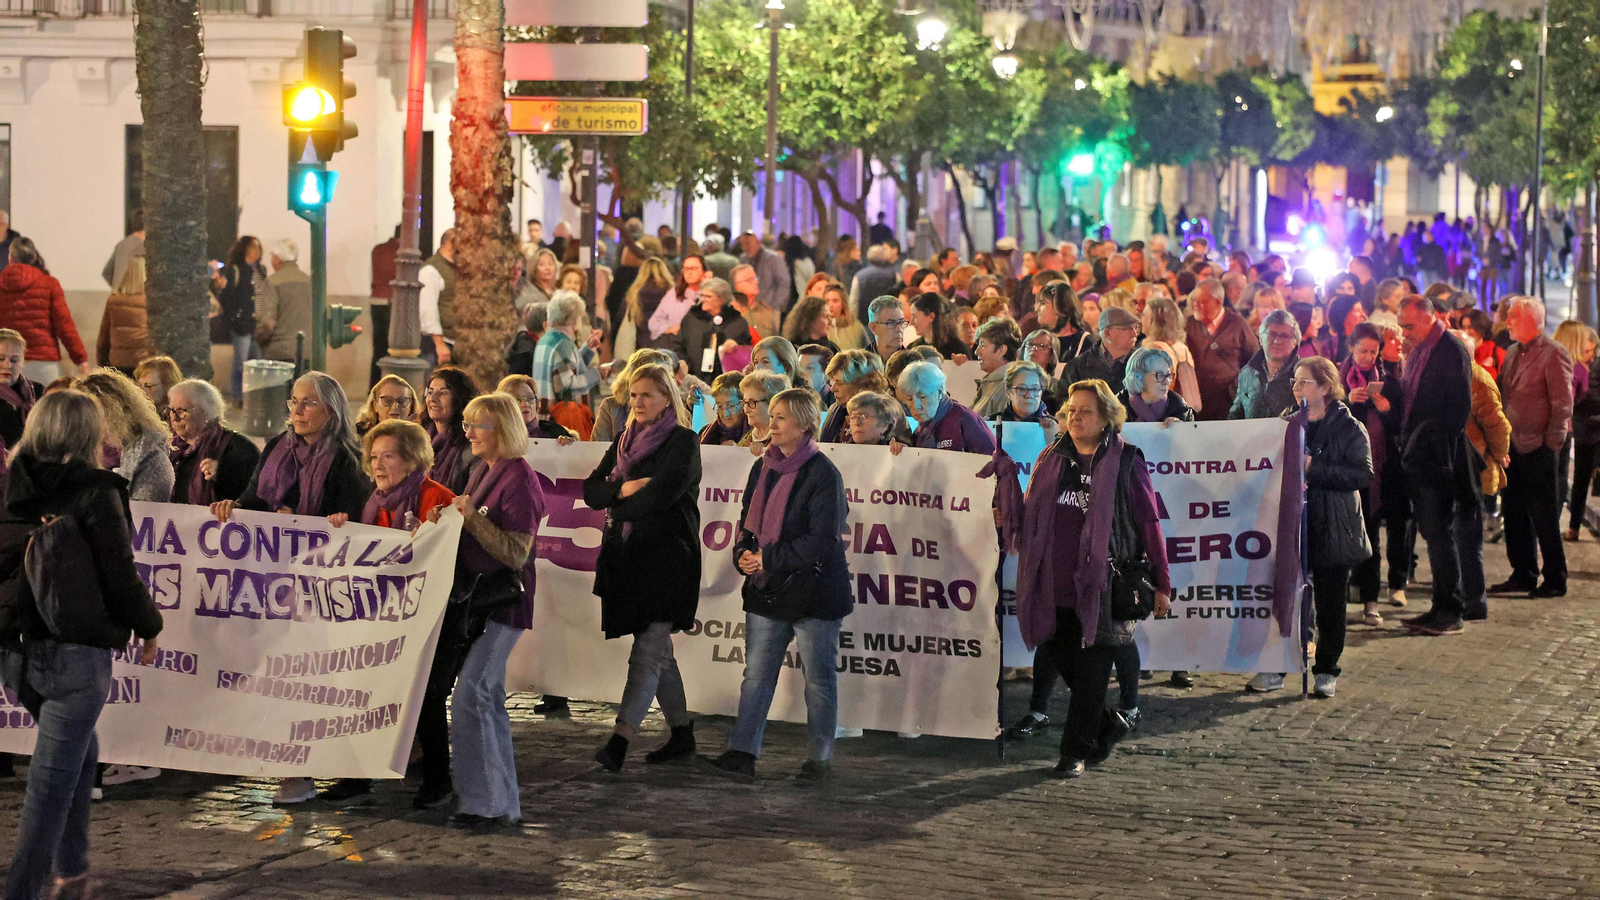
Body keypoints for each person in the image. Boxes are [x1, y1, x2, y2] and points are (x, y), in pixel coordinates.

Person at [0, 389, 164, 900]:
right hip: (74, 652)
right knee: (48, 787)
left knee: (77, 749)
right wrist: (150, 625)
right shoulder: (98, 493)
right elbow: (120, 574)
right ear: (88, 436)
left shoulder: (12, 488)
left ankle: (72, 870)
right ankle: (23, 890)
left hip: (15, 653)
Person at [1005, 379, 1171, 777]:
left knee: (1093, 673)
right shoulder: (1051, 458)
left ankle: (1073, 752)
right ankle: (1109, 724)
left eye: (1086, 412)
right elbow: (1033, 513)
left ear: (1106, 418)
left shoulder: (1127, 461)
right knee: (1069, 665)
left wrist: (1163, 581)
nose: (1076, 418)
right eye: (1071, 411)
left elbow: (1149, 524)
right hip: (1053, 585)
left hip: (1104, 586)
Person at [703, 388, 851, 781]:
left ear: (804, 424)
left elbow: (822, 540)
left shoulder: (823, 474)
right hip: (767, 589)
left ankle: (819, 758)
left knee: (818, 681)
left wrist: (767, 557)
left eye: (782, 416)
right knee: (756, 675)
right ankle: (741, 751)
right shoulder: (762, 466)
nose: (772, 422)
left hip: (813, 593)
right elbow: (747, 521)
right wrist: (743, 553)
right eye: (773, 414)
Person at [315, 417, 457, 803]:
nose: (377, 465)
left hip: (433, 618)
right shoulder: (375, 501)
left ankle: (437, 778)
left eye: (388, 456)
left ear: (411, 460)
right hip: (384, 615)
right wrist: (343, 529)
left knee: (424, 695)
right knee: (362, 688)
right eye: (373, 456)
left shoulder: (436, 498)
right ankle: (358, 775)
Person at [582, 364, 702, 772]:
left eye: (647, 394)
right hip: (627, 559)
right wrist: (621, 489)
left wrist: (616, 498)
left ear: (667, 397)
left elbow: (659, 498)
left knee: (647, 653)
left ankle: (620, 739)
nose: (638, 402)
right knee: (659, 653)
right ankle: (683, 735)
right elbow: (590, 491)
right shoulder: (622, 441)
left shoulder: (683, 442)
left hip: (668, 561)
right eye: (633, 395)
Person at [443, 394, 545, 828]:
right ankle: (500, 802)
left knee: (473, 695)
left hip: (504, 601)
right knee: (485, 698)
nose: (468, 433)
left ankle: (483, 803)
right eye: (466, 424)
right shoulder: (484, 470)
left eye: (477, 426)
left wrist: (470, 519)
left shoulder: (519, 478)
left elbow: (516, 551)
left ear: (501, 429)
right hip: (481, 602)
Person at [1248, 358, 1371, 697]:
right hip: (1291, 523)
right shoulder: (1287, 423)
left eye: (1304, 382)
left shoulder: (1349, 427)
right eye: (1295, 382)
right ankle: (1278, 665)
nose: (1297, 388)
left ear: (1326, 387)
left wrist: (1314, 468)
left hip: (1332, 523)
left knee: (1331, 601)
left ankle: (1327, 668)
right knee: (1286, 597)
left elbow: (1362, 474)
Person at [1395, 295, 1482, 635]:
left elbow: (1460, 408)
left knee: (1440, 532)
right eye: (1401, 325)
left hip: (1440, 458)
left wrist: (1430, 439)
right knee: (1433, 534)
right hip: (1422, 454)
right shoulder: (1420, 350)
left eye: (1409, 326)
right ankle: (1441, 605)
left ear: (1429, 318)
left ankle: (1451, 609)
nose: (1404, 333)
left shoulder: (1449, 349)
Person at [1494, 296, 1573, 598]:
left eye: (1513, 316)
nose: (1508, 321)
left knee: (1544, 516)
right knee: (1513, 513)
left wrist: (1551, 443)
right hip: (1511, 446)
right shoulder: (1513, 352)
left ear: (1530, 320)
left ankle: (1555, 577)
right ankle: (1523, 572)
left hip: (1539, 446)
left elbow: (1562, 404)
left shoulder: (1554, 354)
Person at [213, 373, 370, 521]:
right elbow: (254, 498)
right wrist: (235, 505)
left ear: (331, 410)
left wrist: (299, 522)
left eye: (308, 403)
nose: (297, 411)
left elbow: (350, 519)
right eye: (294, 401)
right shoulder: (277, 446)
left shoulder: (347, 460)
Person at [1340, 323, 1411, 623]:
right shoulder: (1337, 378)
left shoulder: (1390, 381)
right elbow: (1325, 419)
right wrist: (1346, 402)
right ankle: (1346, 593)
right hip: (1348, 467)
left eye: (1373, 351)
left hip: (1382, 469)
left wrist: (1386, 410)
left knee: (1374, 533)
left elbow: (1401, 425)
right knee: (1349, 534)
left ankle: (1372, 599)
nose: (1368, 357)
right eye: (1363, 351)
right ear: (1351, 349)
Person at [75, 369, 173, 503]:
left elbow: (143, 515)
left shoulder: (149, 458)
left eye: (90, 413)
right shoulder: (81, 450)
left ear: (112, 410)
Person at [0, 237, 87, 385]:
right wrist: (80, 359)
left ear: (10, 258)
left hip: (6, 363)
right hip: (44, 364)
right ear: (34, 257)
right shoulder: (49, 284)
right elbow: (65, 326)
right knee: (46, 406)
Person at [166, 379, 260, 506]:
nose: (174, 418)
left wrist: (223, 474)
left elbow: (257, 496)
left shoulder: (238, 448)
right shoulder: (169, 447)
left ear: (205, 413)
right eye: (171, 410)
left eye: (182, 411)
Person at [531, 291, 603, 437]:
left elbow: (565, 368)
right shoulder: (564, 344)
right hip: (563, 424)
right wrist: (597, 374)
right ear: (572, 319)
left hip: (546, 417)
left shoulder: (546, 340)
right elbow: (566, 387)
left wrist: (587, 349)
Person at [210, 236, 269, 404]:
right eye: (253, 247)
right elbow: (226, 296)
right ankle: (239, 395)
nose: (257, 251)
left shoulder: (260, 270)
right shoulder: (235, 270)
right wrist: (235, 316)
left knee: (255, 360)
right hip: (242, 324)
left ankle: (252, 395)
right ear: (246, 250)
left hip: (256, 323)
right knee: (241, 361)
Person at [897, 360, 996, 454]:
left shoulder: (964, 418)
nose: (916, 406)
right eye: (909, 399)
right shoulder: (921, 427)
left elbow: (993, 459)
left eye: (922, 397)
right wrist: (904, 453)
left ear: (940, 391)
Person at [669, 277, 753, 383]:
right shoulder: (692, 318)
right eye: (702, 295)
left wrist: (735, 346)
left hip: (725, 382)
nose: (703, 299)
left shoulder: (736, 321)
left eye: (708, 296)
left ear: (721, 299)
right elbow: (677, 344)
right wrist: (683, 366)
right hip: (692, 378)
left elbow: (745, 350)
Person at [593, 349, 676, 443]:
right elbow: (597, 450)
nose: (638, 402)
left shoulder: (677, 411)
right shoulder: (611, 407)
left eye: (647, 395)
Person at [1230, 309, 1300, 420]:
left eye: (1284, 336)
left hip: (1287, 437)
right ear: (1261, 338)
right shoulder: (1247, 373)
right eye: (1272, 334)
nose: (1277, 341)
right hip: (1252, 437)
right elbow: (1236, 416)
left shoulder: (1303, 375)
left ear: (1295, 342)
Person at [1566, 326, 1600, 542]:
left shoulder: (1595, 366)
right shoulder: (1579, 365)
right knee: (1580, 478)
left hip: (1596, 428)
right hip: (1583, 430)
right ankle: (1573, 527)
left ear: (1592, 345)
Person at [1140, 295, 1201, 413]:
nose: (1140, 319)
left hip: (1161, 415)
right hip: (1182, 412)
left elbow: (1156, 390)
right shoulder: (1181, 347)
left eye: (1144, 315)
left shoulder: (1156, 349)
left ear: (1156, 321)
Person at [259, 240, 313, 364]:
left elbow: (267, 322)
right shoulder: (310, 282)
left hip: (279, 352)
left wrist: (258, 339)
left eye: (272, 258)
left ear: (278, 259)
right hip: (307, 352)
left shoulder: (272, 282)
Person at [96, 255, 149, 374]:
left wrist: (103, 366)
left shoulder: (114, 300)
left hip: (118, 363)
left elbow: (103, 339)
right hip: (143, 363)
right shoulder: (150, 300)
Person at [1117, 346, 1196, 425]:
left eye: (1168, 375)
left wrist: (1181, 430)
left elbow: (1193, 436)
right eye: (1160, 375)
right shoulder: (1113, 409)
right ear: (1139, 376)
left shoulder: (1181, 410)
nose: (1167, 381)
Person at [1065, 306, 1140, 388]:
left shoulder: (1143, 364)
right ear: (1107, 333)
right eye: (1126, 329)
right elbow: (1063, 398)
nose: (1134, 334)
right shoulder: (1078, 367)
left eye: (1136, 327)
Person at [615, 257, 676, 358]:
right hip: (666, 344)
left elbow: (621, 316)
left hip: (641, 347)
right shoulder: (671, 293)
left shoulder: (633, 293)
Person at [419, 228, 458, 368]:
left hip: (452, 342)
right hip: (436, 345)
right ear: (448, 244)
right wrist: (439, 344)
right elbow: (427, 309)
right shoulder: (431, 269)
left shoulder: (454, 268)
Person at [969, 317, 1022, 418]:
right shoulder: (994, 382)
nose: (977, 351)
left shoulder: (1007, 386)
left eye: (983, 345)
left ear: (1002, 350)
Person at [498, 374, 576, 442]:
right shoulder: (495, 436)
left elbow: (576, 456)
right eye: (517, 399)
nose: (526, 404)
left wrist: (570, 448)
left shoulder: (554, 432)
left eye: (530, 398)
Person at [649, 254, 706, 341]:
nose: (689, 273)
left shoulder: (710, 293)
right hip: (676, 342)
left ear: (704, 271)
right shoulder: (674, 293)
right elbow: (654, 322)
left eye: (694, 268)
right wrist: (669, 329)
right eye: (686, 269)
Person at [0, 329, 39, 448]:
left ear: (23, 362)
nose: (7, 365)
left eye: (14, 360)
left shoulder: (37, 390)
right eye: (1, 359)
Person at [738, 232, 792, 314]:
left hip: (769, 308)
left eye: (748, 244)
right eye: (743, 244)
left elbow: (784, 283)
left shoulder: (773, 258)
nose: (745, 248)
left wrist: (773, 305)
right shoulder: (744, 259)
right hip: (748, 308)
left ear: (757, 242)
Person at [737, 371, 788, 452]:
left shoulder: (785, 440)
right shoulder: (747, 438)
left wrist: (765, 450)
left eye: (752, 403)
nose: (746, 410)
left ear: (772, 405)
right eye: (745, 403)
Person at [356, 374, 421, 436]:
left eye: (402, 401)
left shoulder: (419, 437)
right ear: (375, 404)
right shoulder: (358, 435)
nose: (395, 407)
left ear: (411, 405)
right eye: (388, 401)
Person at [906, 293, 968, 359]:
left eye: (915, 316)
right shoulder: (913, 348)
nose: (911, 322)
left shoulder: (958, 349)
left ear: (931, 317)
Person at [850, 245, 900, 324]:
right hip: (889, 321)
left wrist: (853, 322)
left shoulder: (859, 276)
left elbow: (854, 301)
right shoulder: (894, 275)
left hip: (865, 321)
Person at [700, 371, 749, 446]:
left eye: (731, 406)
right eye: (719, 406)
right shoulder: (707, 434)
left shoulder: (755, 435)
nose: (725, 414)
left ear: (744, 403)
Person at [102, 210, 144, 291]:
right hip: (135, 297)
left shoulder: (120, 245)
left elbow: (106, 272)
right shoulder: (144, 246)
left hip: (117, 296)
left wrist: (118, 286)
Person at [133, 356, 181, 422]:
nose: (141, 390)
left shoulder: (179, 419)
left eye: (148, 385)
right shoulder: (136, 415)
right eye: (139, 385)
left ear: (167, 385)